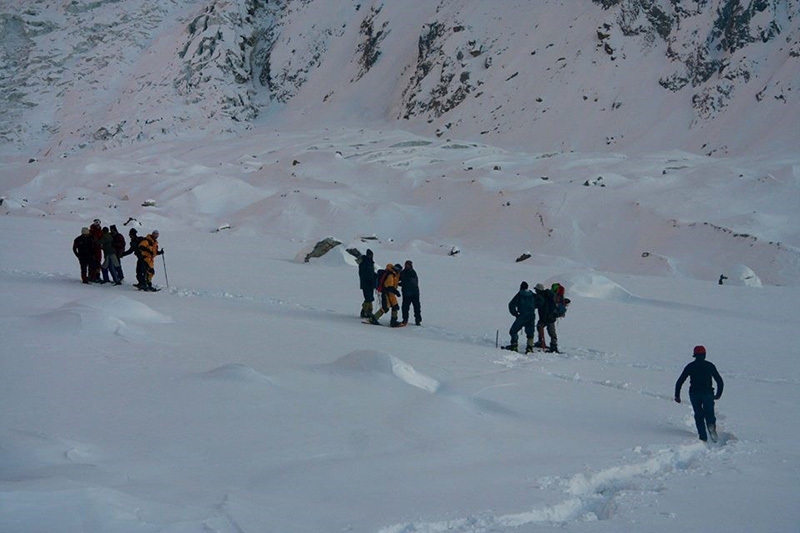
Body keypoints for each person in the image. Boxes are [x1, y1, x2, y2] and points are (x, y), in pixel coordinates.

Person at [675, 345, 724, 442]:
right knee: (709, 413)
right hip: (708, 393)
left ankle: (703, 437)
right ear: (704, 355)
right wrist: (718, 394)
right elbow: (719, 381)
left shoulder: (690, 366)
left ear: (695, 355)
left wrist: (677, 395)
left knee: (698, 414)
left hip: (694, 394)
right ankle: (711, 427)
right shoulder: (709, 365)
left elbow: (680, 381)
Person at [503, 282, 538, 353]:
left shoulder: (519, 295)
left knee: (513, 331)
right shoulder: (532, 295)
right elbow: (541, 301)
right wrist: (533, 306)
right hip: (531, 316)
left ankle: (514, 346)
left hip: (522, 316)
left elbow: (511, 305)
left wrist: (515, 314)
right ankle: (529, 347)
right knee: (530, 332)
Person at [534, 283, 559, 353]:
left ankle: (554, 346)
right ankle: (541, 342)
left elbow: (547, 308)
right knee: (539, 327)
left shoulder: (544, 297)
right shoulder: (544, 295)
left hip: (549, 317)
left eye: (536, 290)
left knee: (551, 332)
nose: (535, 291)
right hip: (545, 317)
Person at [399, 259, 422, 326]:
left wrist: (401, 284)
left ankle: (418, 320)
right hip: (406, 294)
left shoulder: (413, 273)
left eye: (408, 265)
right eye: (406, 264)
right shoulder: (403, 272)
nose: (407, 266)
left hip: (414, 293)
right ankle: (405, 320)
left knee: (416, 307)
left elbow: (411, 283)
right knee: (405, 308)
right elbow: (399, 278)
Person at [358, 249, 377, 318]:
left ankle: (369, 311)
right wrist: (370, 278)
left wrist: (375, 276)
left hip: (370, 283)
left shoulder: (370, 263)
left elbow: (371, 273)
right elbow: (363, 274)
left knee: (370, 298)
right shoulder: (364, 263)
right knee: (368, 298)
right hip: (366, 283)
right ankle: (364, 311)